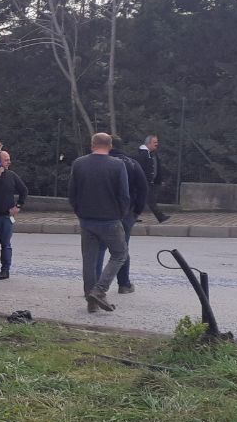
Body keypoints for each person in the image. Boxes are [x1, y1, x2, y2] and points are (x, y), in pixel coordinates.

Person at [68, 132, 130, 313]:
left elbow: (72, 193)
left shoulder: (79, 164)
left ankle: (91, 300)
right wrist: (120, 214)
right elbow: (124, 195)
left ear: (92, 144)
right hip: (110, 219)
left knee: (89, 259)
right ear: (110, 146)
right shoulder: (118, 165)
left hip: (87, 219)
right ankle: (100, 290)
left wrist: (79, 212)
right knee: (120, 254)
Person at [94, 138, 148, 295]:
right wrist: (136, 211)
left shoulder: (100, 163)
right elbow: (143, 189)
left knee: (99, 249)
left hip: (102, 211)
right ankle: (124, 284)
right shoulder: (132, 163)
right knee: (122, 249)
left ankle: (95, 283)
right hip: (126, 213)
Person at [0, 149, 27, 280]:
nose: (9, 162)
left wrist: (18, 206)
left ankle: (5, 270)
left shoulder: (11, 175)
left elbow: (24, 190)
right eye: (6, 160)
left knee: (5, 244)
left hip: (6, 216)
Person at [136, 134, 171, 223]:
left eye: (157, 142)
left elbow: (156, 168)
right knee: (150, 200)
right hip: (144, 182)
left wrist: (158, 180)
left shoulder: (152, 154)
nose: (157, 144)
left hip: (150, 182)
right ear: (148, 143)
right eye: (155, 142)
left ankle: (132, 217)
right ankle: (160, 217)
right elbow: (141, 169)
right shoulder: (143, 155)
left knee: (139, 200)